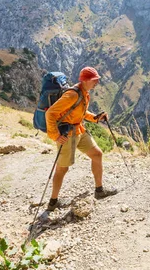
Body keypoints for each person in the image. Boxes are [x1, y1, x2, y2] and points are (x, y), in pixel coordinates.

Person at [44, 66, 117, 211]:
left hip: (79, 130)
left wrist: (96, 118)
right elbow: (50, 113)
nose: (97, 83)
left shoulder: (84, 93)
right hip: (67, 135)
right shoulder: (72, 95)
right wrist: (56, 136)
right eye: (94, 80)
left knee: (97, 154)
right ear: (85, 80)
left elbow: (81, 111)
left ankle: (99, 190)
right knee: (62, 169)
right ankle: (53, 202)